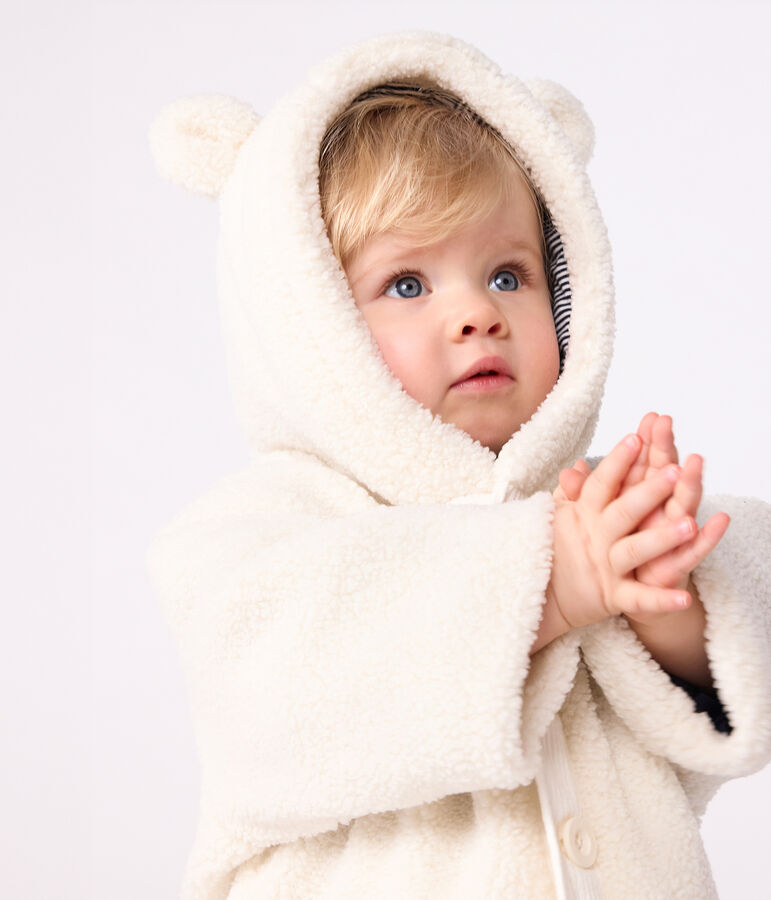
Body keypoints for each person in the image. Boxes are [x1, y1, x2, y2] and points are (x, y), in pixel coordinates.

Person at [146, 32, 771, 900]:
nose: (477, 312)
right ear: (306, 324)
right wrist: (550, 582)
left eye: (508, 274)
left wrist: (669, 606)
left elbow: (720, 698)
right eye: (407, 284)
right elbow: (274, 703)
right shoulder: (259, 528)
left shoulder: (596, 509)